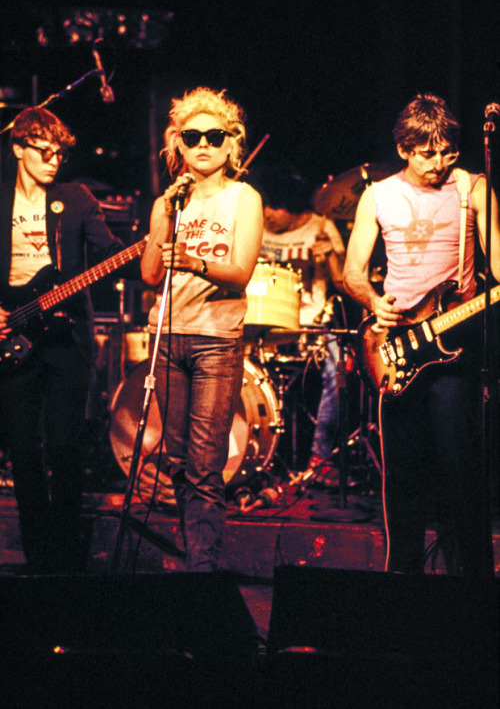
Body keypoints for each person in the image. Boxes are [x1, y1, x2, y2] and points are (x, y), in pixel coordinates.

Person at [343, 92, 500, 575]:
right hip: (395, 347)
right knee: (402, 483)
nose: (438, 163)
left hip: (456, 348)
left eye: (447, 152)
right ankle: (401, 592)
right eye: (427, 152)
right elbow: (352, 271)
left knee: (460, 479)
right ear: (405, 148)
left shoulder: (472, 189)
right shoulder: (378, 195)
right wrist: (374, 303)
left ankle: (471, 594)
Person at [141, 87, 263, 572]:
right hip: (166, 338)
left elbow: (240, 272)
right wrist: (163, 220)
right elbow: (151, 273)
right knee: (174, 462)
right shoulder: (167, 203)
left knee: (205, 466)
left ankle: (202, 578)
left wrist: (192, 260)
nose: (204, 145)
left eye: (215, 136)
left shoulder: (243, 198)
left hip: (215, 341)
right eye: (193, 137)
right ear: (180, 146)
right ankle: (192, 564)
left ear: (232, 144)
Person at [0, 106, 124, 573]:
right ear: (18, 148)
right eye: (44, 151)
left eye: (60, 154)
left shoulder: (75, 198)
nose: (54, 161)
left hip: (66, 335)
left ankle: (68, 557)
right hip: (12, 333)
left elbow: (110, 251)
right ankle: (37, 555)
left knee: (65, 445)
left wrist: (147, 249)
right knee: (24, 448)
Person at [254, 166, 346, 480]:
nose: (268, 213)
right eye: (265, 206)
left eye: (276, 207)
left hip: (311, 324)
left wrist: (333, 255)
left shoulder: (321, 226)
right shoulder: (255, 227)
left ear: (295, 209)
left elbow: (343, 281)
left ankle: (321, 459)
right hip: (260, 324)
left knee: (340, 367)